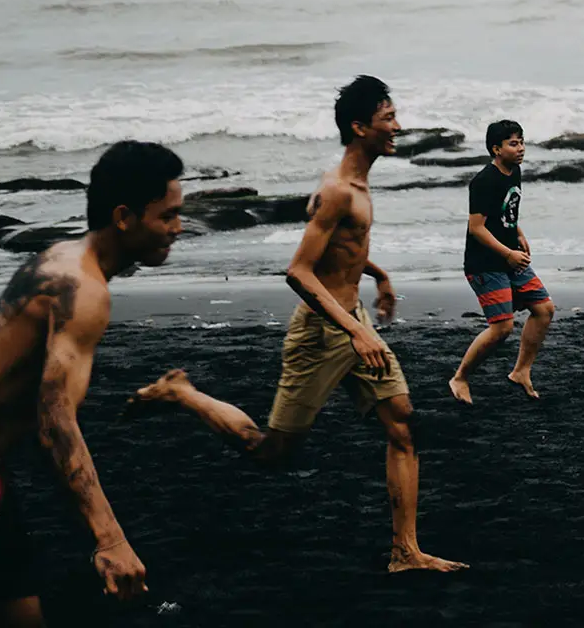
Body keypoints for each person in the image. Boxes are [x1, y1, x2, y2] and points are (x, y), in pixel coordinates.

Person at [127, 76, 466, 574]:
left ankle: (405, 552)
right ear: (360, 127)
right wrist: (354, 331)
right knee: (269, 452)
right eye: (389, 118)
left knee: (403, 424)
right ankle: (181, 392)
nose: (398, 127)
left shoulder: (355, 186)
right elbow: (299, 272)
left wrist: (377, 275)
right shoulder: (338, 191)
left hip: (352, 319)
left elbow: (341, 250)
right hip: (322, 331)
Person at [0, 141, 183, 623]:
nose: (179, 228)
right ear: (124, 217)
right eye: (168, 216)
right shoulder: (86, 290)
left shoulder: (60, 256)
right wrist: (109, 539)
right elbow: (54, 421)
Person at [449, 120, 554, 403]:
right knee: (502, 328)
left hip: (510, 256)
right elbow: (476, 228)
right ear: (496, 149)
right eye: (513, 144)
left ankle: (521, 371)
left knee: (544, 309)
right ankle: (460, 378)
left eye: (522, 142)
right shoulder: (484, 181)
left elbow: (507, 211)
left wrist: (518, 233)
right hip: (485, 263)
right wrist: (508, 253)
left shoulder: (514, 171)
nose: (521, 149)